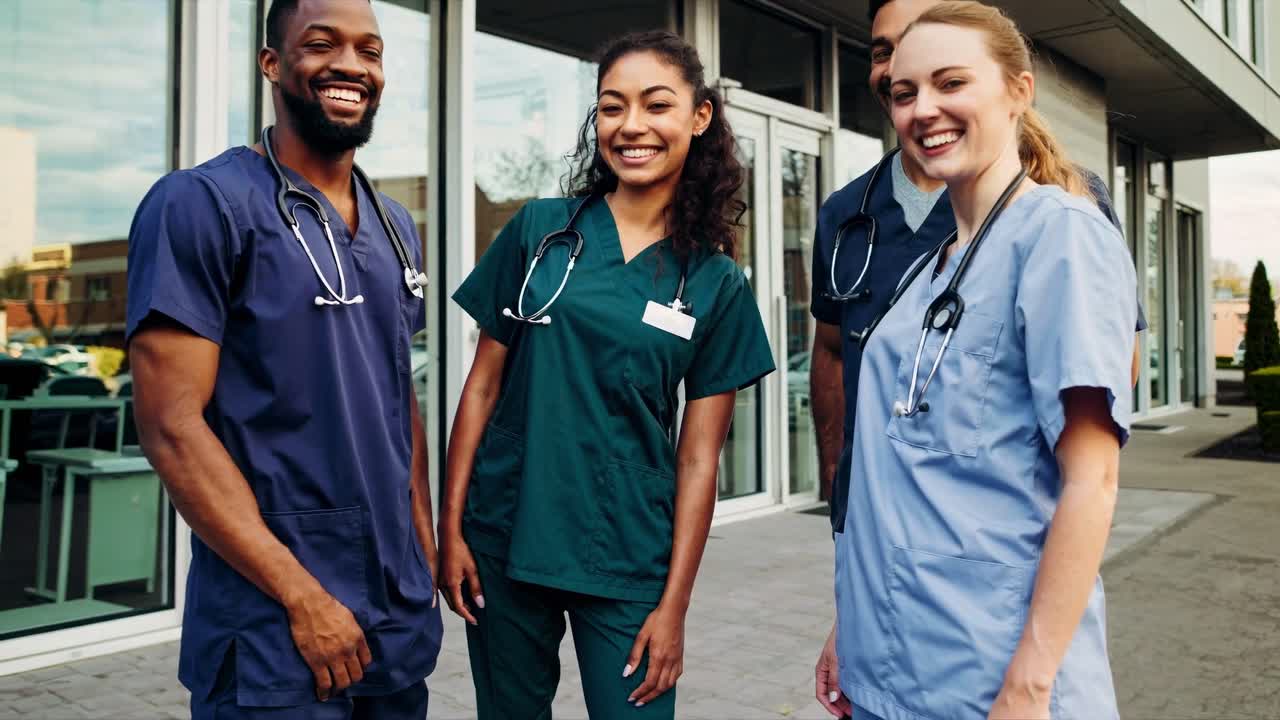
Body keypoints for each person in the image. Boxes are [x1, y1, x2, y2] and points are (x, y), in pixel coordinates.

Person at [811, 1, 1144, 713]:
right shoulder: (928, 269)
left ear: (1018, 91)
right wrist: (851, 625)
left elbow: (1094, 481)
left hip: (989, 676)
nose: (923, 109)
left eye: (950, 83)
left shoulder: (1061, 236)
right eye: (905, 94)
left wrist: (1029, 684)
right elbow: (894, 477)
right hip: (889, 665)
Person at [441, 30, 775, 720]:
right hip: (507, 536)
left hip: (628, 554)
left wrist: (675, 606)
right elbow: (479, 389)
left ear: (699, 116)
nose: (632, 127)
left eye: (656, 106)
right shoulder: (539, 233)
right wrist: (451, 530)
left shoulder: (714, 284)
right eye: (611, 108)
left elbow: (699, 459)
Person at [126, 0, 441, 717]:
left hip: (393, 616)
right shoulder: (202, 204)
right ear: (272, 63)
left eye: (371, 50)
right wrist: (302, 595)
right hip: (272, 623)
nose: (351, 66)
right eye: (322, 44)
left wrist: (420, 543)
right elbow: (171, 426)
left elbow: (396, 394)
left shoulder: (395, 226)